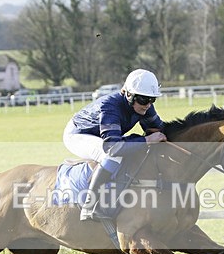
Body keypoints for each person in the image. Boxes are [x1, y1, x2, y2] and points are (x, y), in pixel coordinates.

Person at [63, 69, 167, 220]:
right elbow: (112, 147)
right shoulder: (110, 106)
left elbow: (160, 130)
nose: (148, 105)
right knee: (113, 155)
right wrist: (147, 140)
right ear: (129, 95)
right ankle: (89, 205)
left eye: (152, 99)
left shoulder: (145, 106)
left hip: (104, 137)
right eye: (144, 100)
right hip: (78, 134)